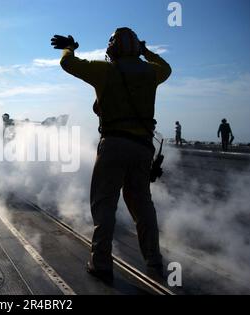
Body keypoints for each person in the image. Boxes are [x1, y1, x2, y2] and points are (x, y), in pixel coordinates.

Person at [52, 28, 171, 283]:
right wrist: (145, 50)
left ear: (112, 49)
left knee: (105, 204)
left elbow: (67, 63)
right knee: (143, 205)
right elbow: (166, 67)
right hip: (142, 148)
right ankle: (154, 260)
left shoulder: (104, 71)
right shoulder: (152, 72)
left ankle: (101, 263)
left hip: (113, 145)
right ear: (136, 48)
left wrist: (70, 46)